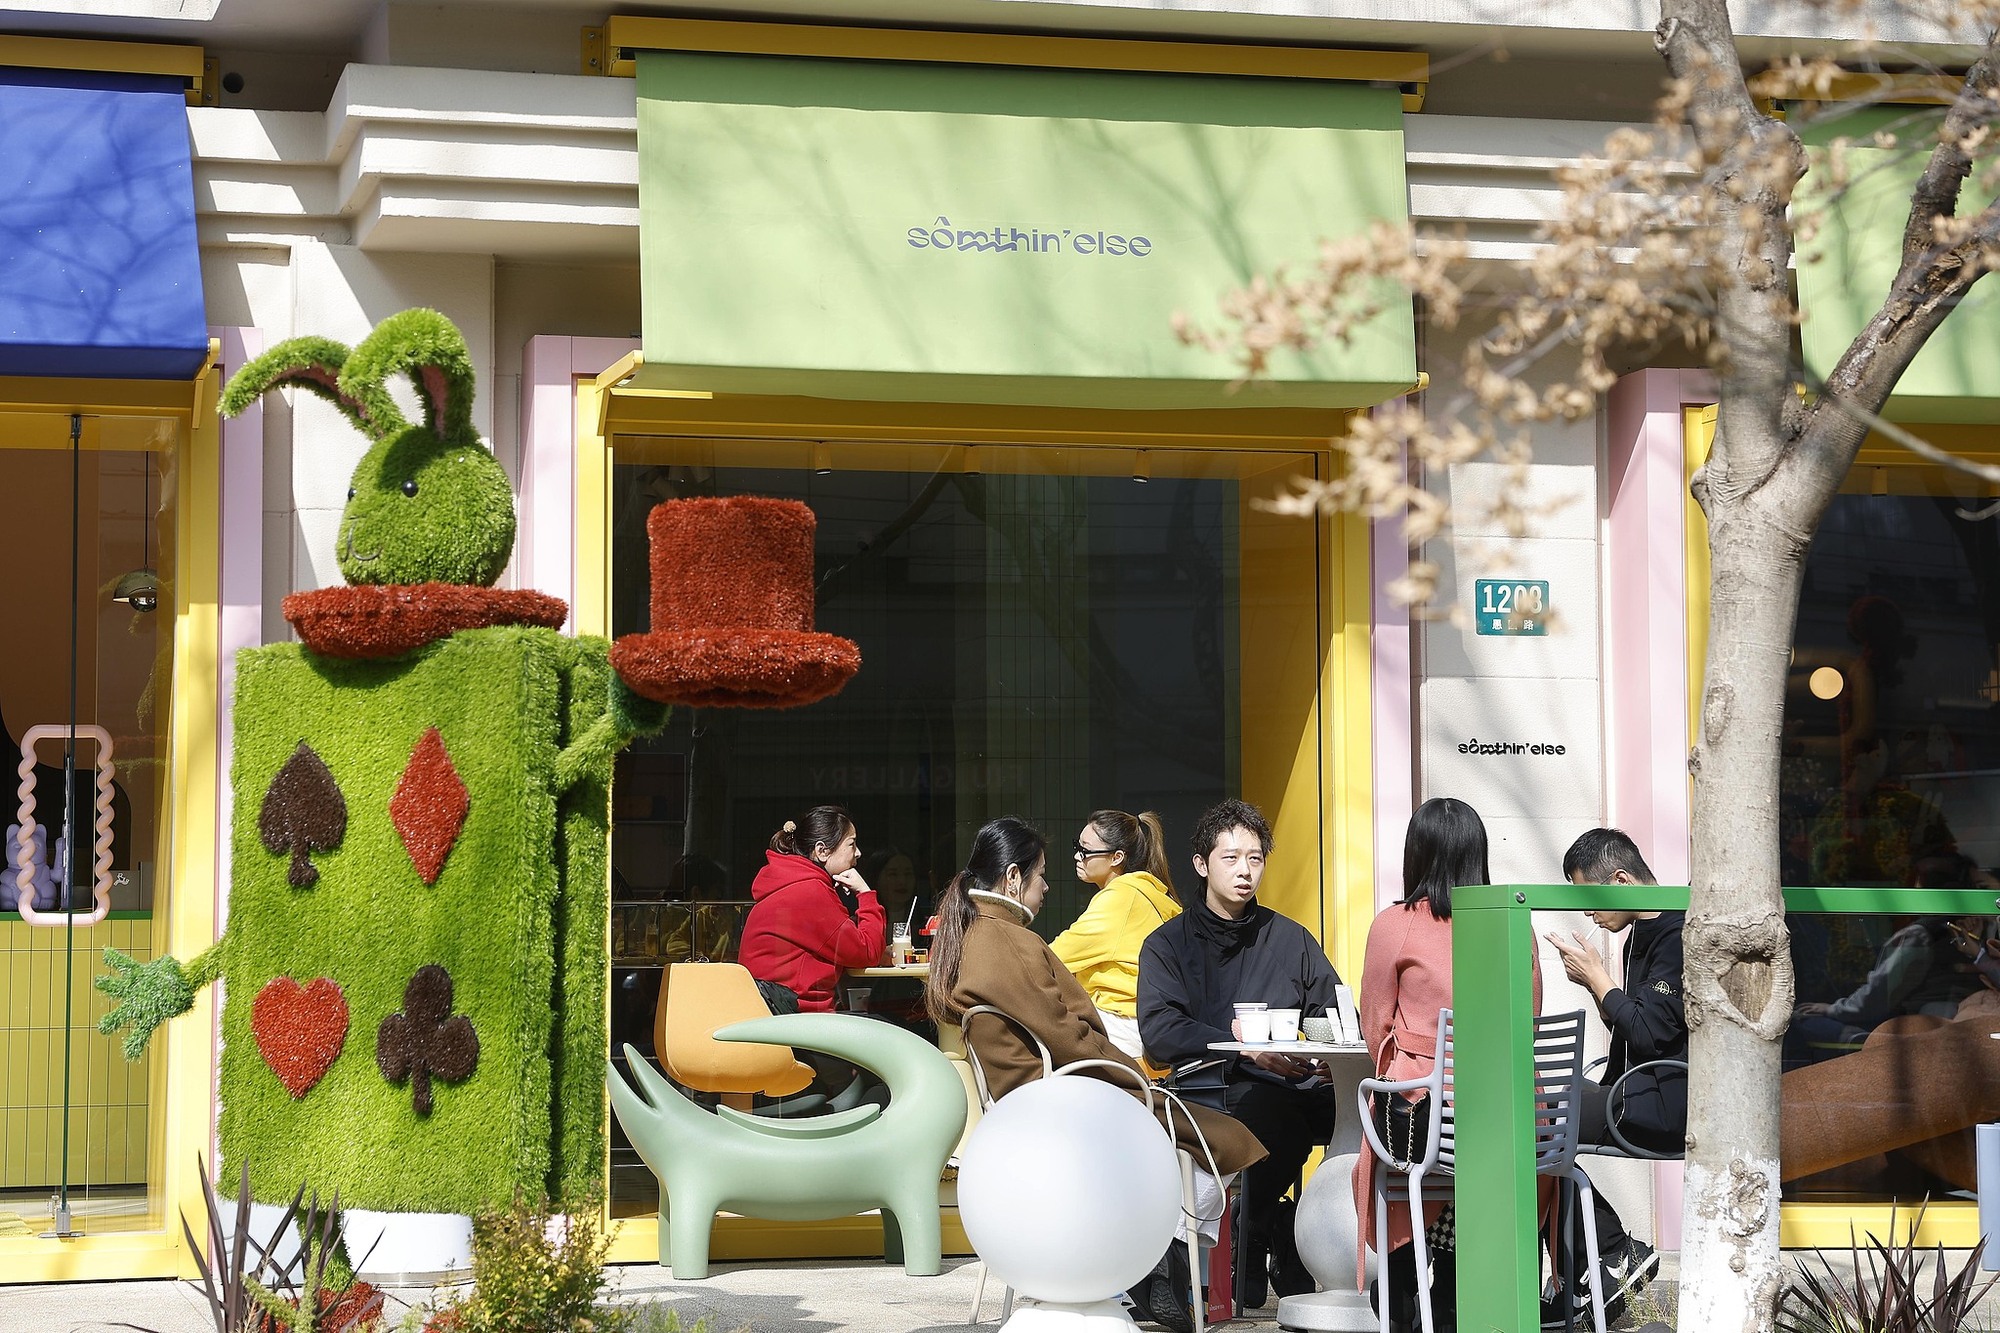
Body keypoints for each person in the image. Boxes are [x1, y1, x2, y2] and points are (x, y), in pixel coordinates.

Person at [927, 817, 1267, 1333]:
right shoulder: (1005, 940)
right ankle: (1158, 1251)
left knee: (1200, 1131)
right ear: (1014, 878)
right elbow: (1064, 1032)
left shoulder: (971, 933)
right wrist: (1131, 1076)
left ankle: (1155, 1254)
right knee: (1218, 1135)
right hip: (1067, 1099)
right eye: (1042, 875)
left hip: (1032, 1100)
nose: (1047, 887)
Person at [1137, 799, 1341, 1309]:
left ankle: (1325, 1244)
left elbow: (1334, 1009)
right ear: (1201, 864)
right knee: (1273, 1119)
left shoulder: (1290, 938)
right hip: (1212, 1085)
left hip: (1296, 1082)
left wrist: (1327, 1056)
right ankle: (1259, 1233)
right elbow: (1160, 1033)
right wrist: (1241, 1048)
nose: (1245, 871)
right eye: (1230, 858)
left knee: (1367, 1112)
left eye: (1255, 858)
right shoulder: (1168, 944)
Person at [1353, 797, 1541, 1333]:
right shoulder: (1513, 922)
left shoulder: (1395, 924)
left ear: (1416, 853)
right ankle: (1455, 1289)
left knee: (1402, 1147)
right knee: (1463, 1165)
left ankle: (1403, 1282)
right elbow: (1529, 1018)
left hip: (1427, 1125)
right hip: (1511, 1128)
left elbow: (1375, 1027)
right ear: (1477, 854)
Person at [1545, 828, 1678, 1325]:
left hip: (1664, 1100)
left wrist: (1597, 979)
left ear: (1621, 880)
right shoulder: (1642, 933)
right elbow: (1636, 1029)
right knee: (1535, 1110)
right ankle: (1594, 1266)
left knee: (1535, 1121)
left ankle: (1613, 1252)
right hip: (1634, 1087)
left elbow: (1648, 1034)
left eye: (1590, 898)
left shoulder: (1678, 934)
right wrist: (1596, 984)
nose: (1588, 913)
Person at [1051, 809, 1182, 1060]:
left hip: (1121, 1024)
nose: (1077, 855)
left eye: (1085, 850)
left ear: (1117, 857)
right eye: (1077, 846)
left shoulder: (1120, 897)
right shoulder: (1153, 894)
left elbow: (1054, 957)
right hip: (1153, 1024)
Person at [738, 806, 886, 1013]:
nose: (858, 853)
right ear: (822, 851)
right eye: (852, 844)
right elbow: (867, 953)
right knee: (900, 1027)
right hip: (798, 1019)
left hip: (774, 1014)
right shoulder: (810, 892)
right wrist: (865, 893)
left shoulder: (794, 885)